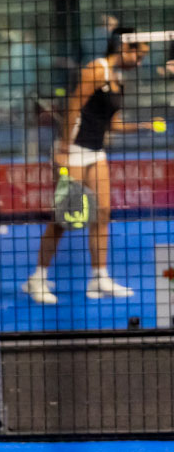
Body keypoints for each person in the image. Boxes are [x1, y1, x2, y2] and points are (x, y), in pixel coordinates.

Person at [22, 27, 164, 304]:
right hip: (74, 149)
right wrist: (64, 148)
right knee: (63, 219)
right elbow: (73, 106)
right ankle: (36, 279)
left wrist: (144, 125)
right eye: (139, 55)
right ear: (124, 48)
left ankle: (99, 278)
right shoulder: (96, 70)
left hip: (96, 152)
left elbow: (113, 124)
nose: (141, 62)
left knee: (102, 213)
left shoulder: (118, 79)